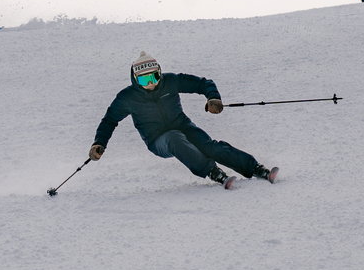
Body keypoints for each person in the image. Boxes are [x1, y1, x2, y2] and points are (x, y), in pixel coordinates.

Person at [88, 52, 278, 188]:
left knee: (211, 147)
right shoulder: (127, 97)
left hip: (184, 126)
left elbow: (203, 83)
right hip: (158, 140)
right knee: (174, 138)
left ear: (160, 73)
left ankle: (256, 168)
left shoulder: (171, 81)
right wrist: (99, 143)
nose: (152, 84)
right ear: (136, 80)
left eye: (154, 77)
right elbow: (109, 120)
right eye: (145, 81)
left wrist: (213, 98)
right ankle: (213, 172)